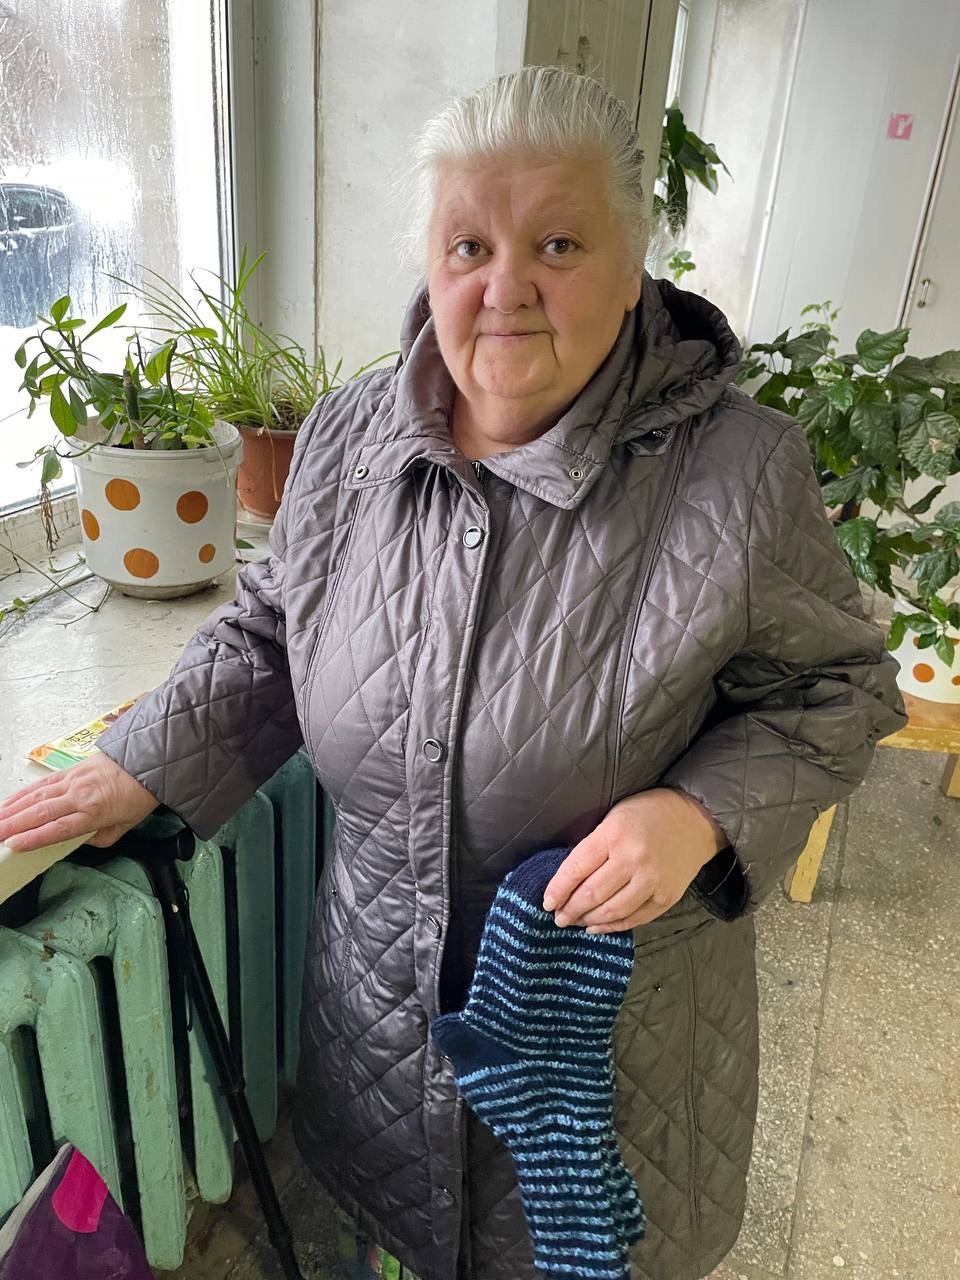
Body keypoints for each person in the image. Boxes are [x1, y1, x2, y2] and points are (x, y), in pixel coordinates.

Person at [0, 67, 906, 1280]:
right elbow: (271, 628)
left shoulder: (740, 471)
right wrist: (145, 759)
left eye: (559, 243)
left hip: (610, 1061)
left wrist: (697, 813)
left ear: (633, 265)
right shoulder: (349, 435)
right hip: (380, 1030)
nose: (506, 285)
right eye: (470, 245)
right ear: (432, 264)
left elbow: (840, 690)